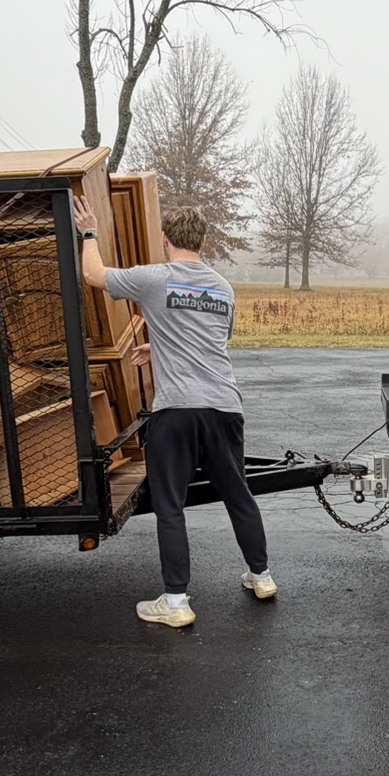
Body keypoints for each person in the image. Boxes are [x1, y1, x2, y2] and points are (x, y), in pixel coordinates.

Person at [72, 193, 275, 628]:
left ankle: (176, 602)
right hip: (224, 407)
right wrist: (157, 344)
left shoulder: (154, 278)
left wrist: (89, 231)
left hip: (177, 410)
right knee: (238, 495)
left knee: (170, 506)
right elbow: (210, 339)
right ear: (202, 239)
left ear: (165, 239)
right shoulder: (223, 288)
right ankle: (261, 576)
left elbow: (92, 273)